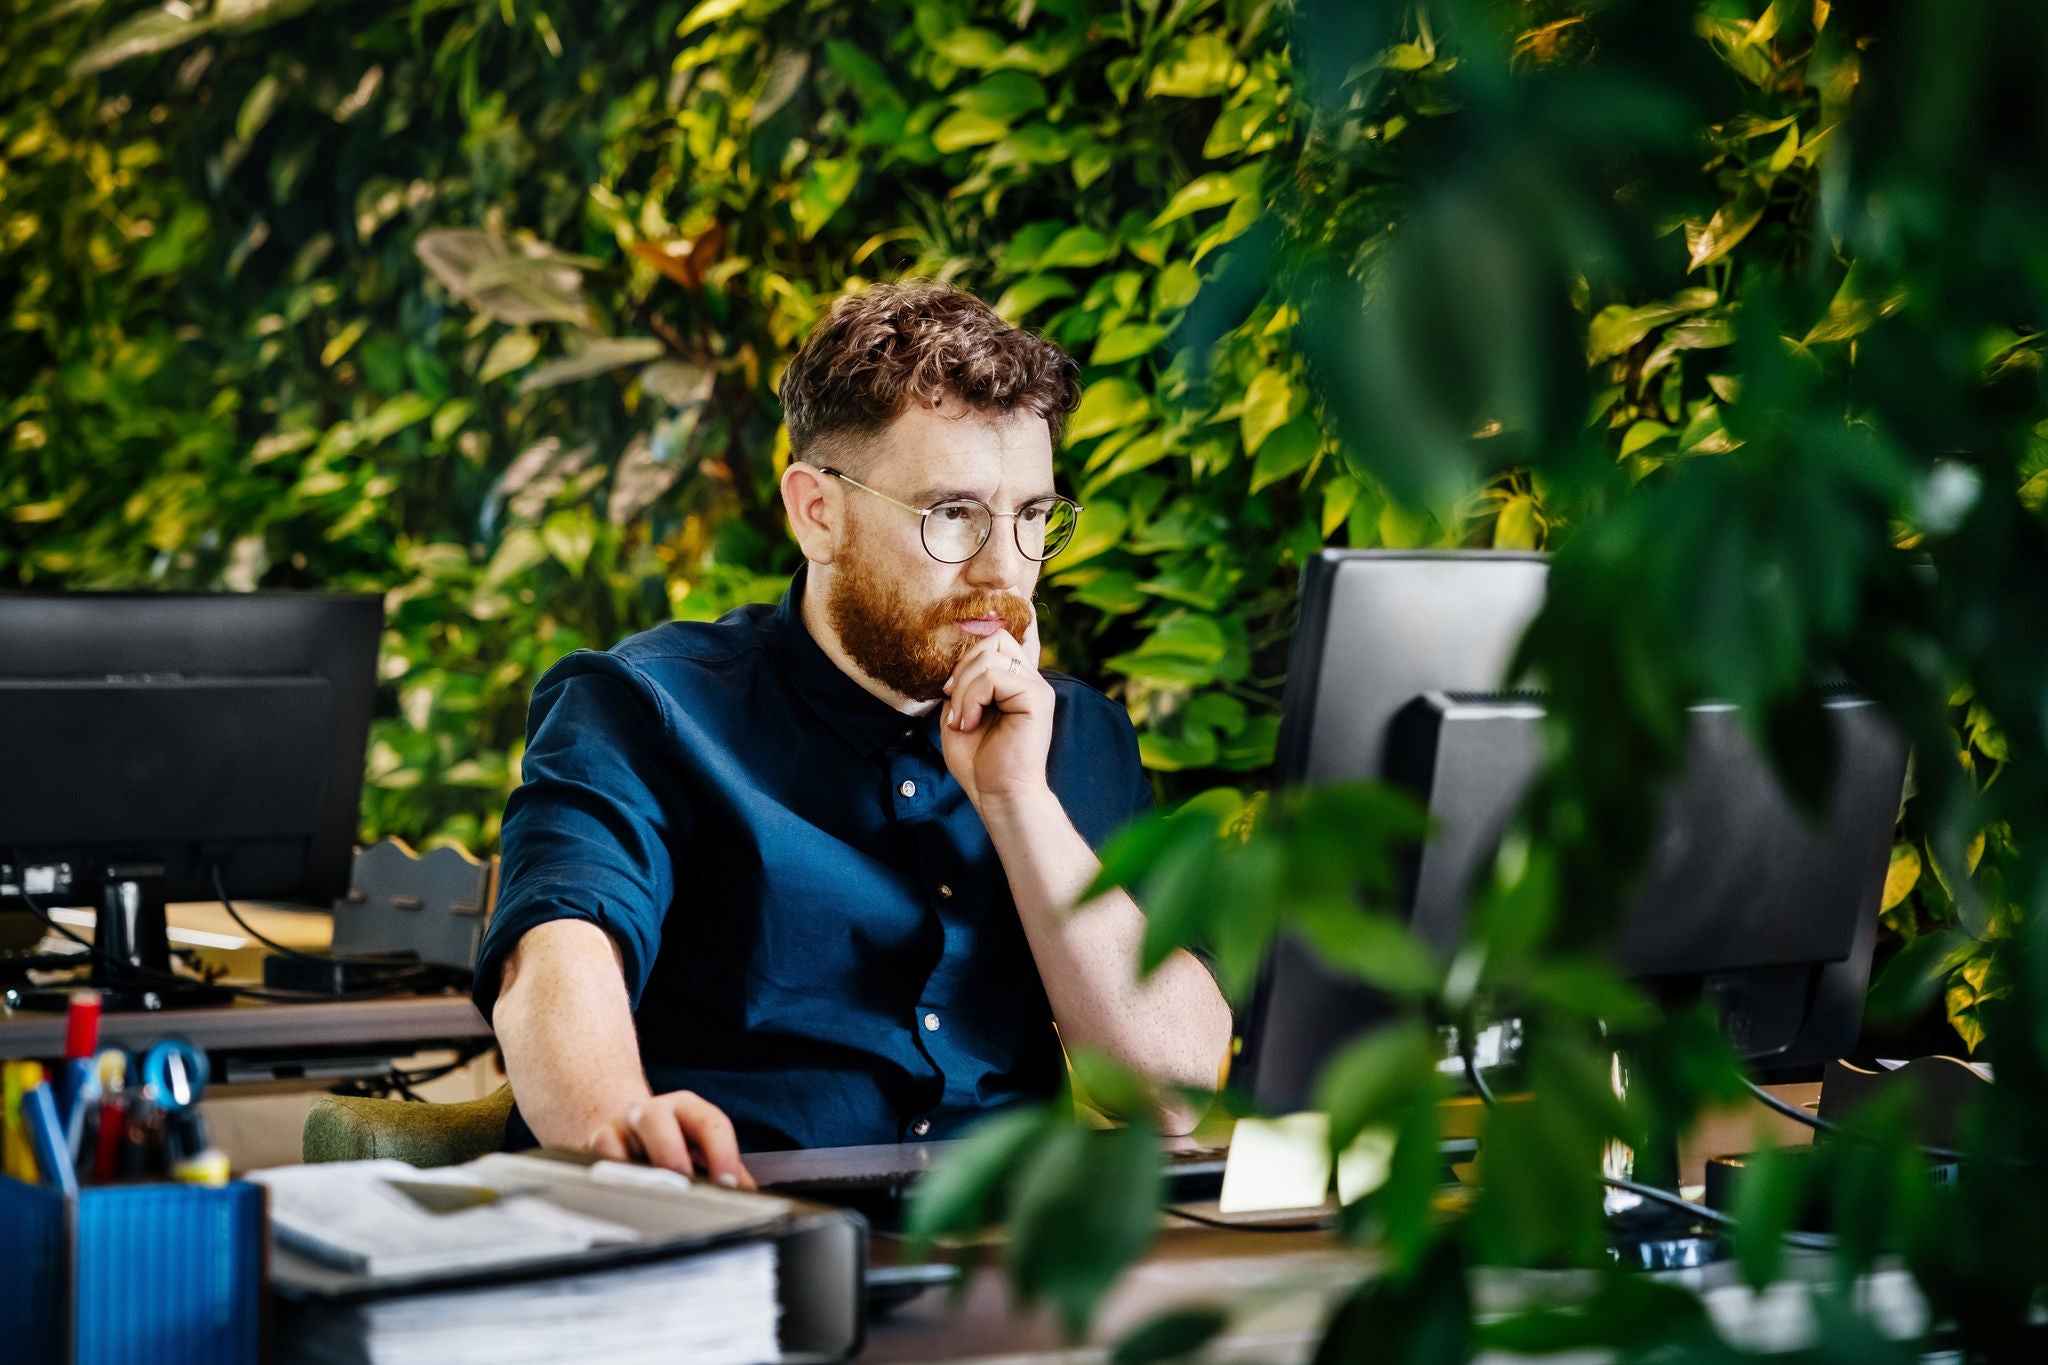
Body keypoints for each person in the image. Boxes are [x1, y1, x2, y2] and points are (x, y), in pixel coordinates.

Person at [474, 280, 1233, 1188]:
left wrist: (1018, 801)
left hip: (996, 1273)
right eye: (952, 514)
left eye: (1032, 517)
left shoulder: (1081, 740)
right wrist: (613, 1120)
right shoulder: (643, 707)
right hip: (734, 1244)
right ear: (816, 512)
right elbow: (557, 952)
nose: (1005, 569)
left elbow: (1178, 1093)